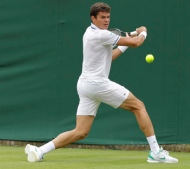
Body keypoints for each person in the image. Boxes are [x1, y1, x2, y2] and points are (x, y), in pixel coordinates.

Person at [25, 2, 178, 163]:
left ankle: (40, 150)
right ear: (93, 18)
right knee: (138, 106)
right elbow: (137, 43)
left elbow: (109, 57)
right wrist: (143, 32)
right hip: (97, 84)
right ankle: (156, 152)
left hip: (85, 85)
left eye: (108, 17)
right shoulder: (102, 35)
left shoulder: (90, 32)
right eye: (102, 18)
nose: (106, 21)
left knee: (81, 131)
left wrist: (125, 43)